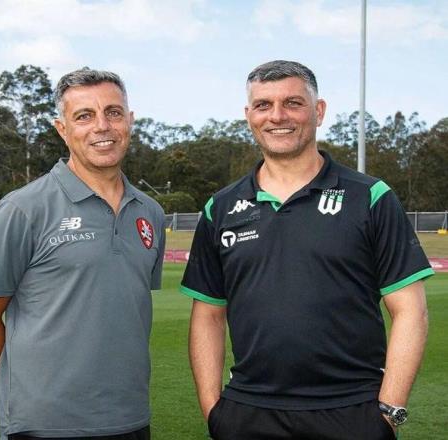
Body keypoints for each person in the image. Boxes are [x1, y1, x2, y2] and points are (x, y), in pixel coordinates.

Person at [180, 60, 434, 440]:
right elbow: (208, 317)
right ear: (249, 116)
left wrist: (387, 413)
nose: (277, 116)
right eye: (263, 105)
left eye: (293, 103)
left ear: (319, 111)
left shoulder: (371, 197)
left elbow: (411, 310)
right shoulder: (221, 207)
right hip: (247, 412)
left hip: (352, 412)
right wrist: (214, 411)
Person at [0, 68, 166, 440]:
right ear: (62, 129)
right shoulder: (23, 209)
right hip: (44, 424)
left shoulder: (150, 212)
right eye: (84, 116)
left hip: (130, 417)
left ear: (130, 121)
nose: (102, 126)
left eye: (114, 112)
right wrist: (16, 375)